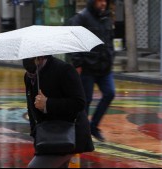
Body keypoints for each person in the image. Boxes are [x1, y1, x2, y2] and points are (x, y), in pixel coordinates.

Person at [24, 56, 94, 168]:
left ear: (40, 56)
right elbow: (31, 107)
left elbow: (79, 103)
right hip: (47, 137)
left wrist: (48, 103)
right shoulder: (29, 76)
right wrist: (35, 132)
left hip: (68, 133)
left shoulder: (64, 70)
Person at [69, 0, 115, 142]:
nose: (103, 4)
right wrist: (78, 63)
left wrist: (111, 55)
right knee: (85, 101)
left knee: (110, 93)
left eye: (105, 1)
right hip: (87, 67)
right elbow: (73, 42)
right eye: (100, 1)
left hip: (104, 67)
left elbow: (110, 40)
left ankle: (93, 127)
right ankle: (82, 133)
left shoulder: (107, 18)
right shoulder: (81, 18)